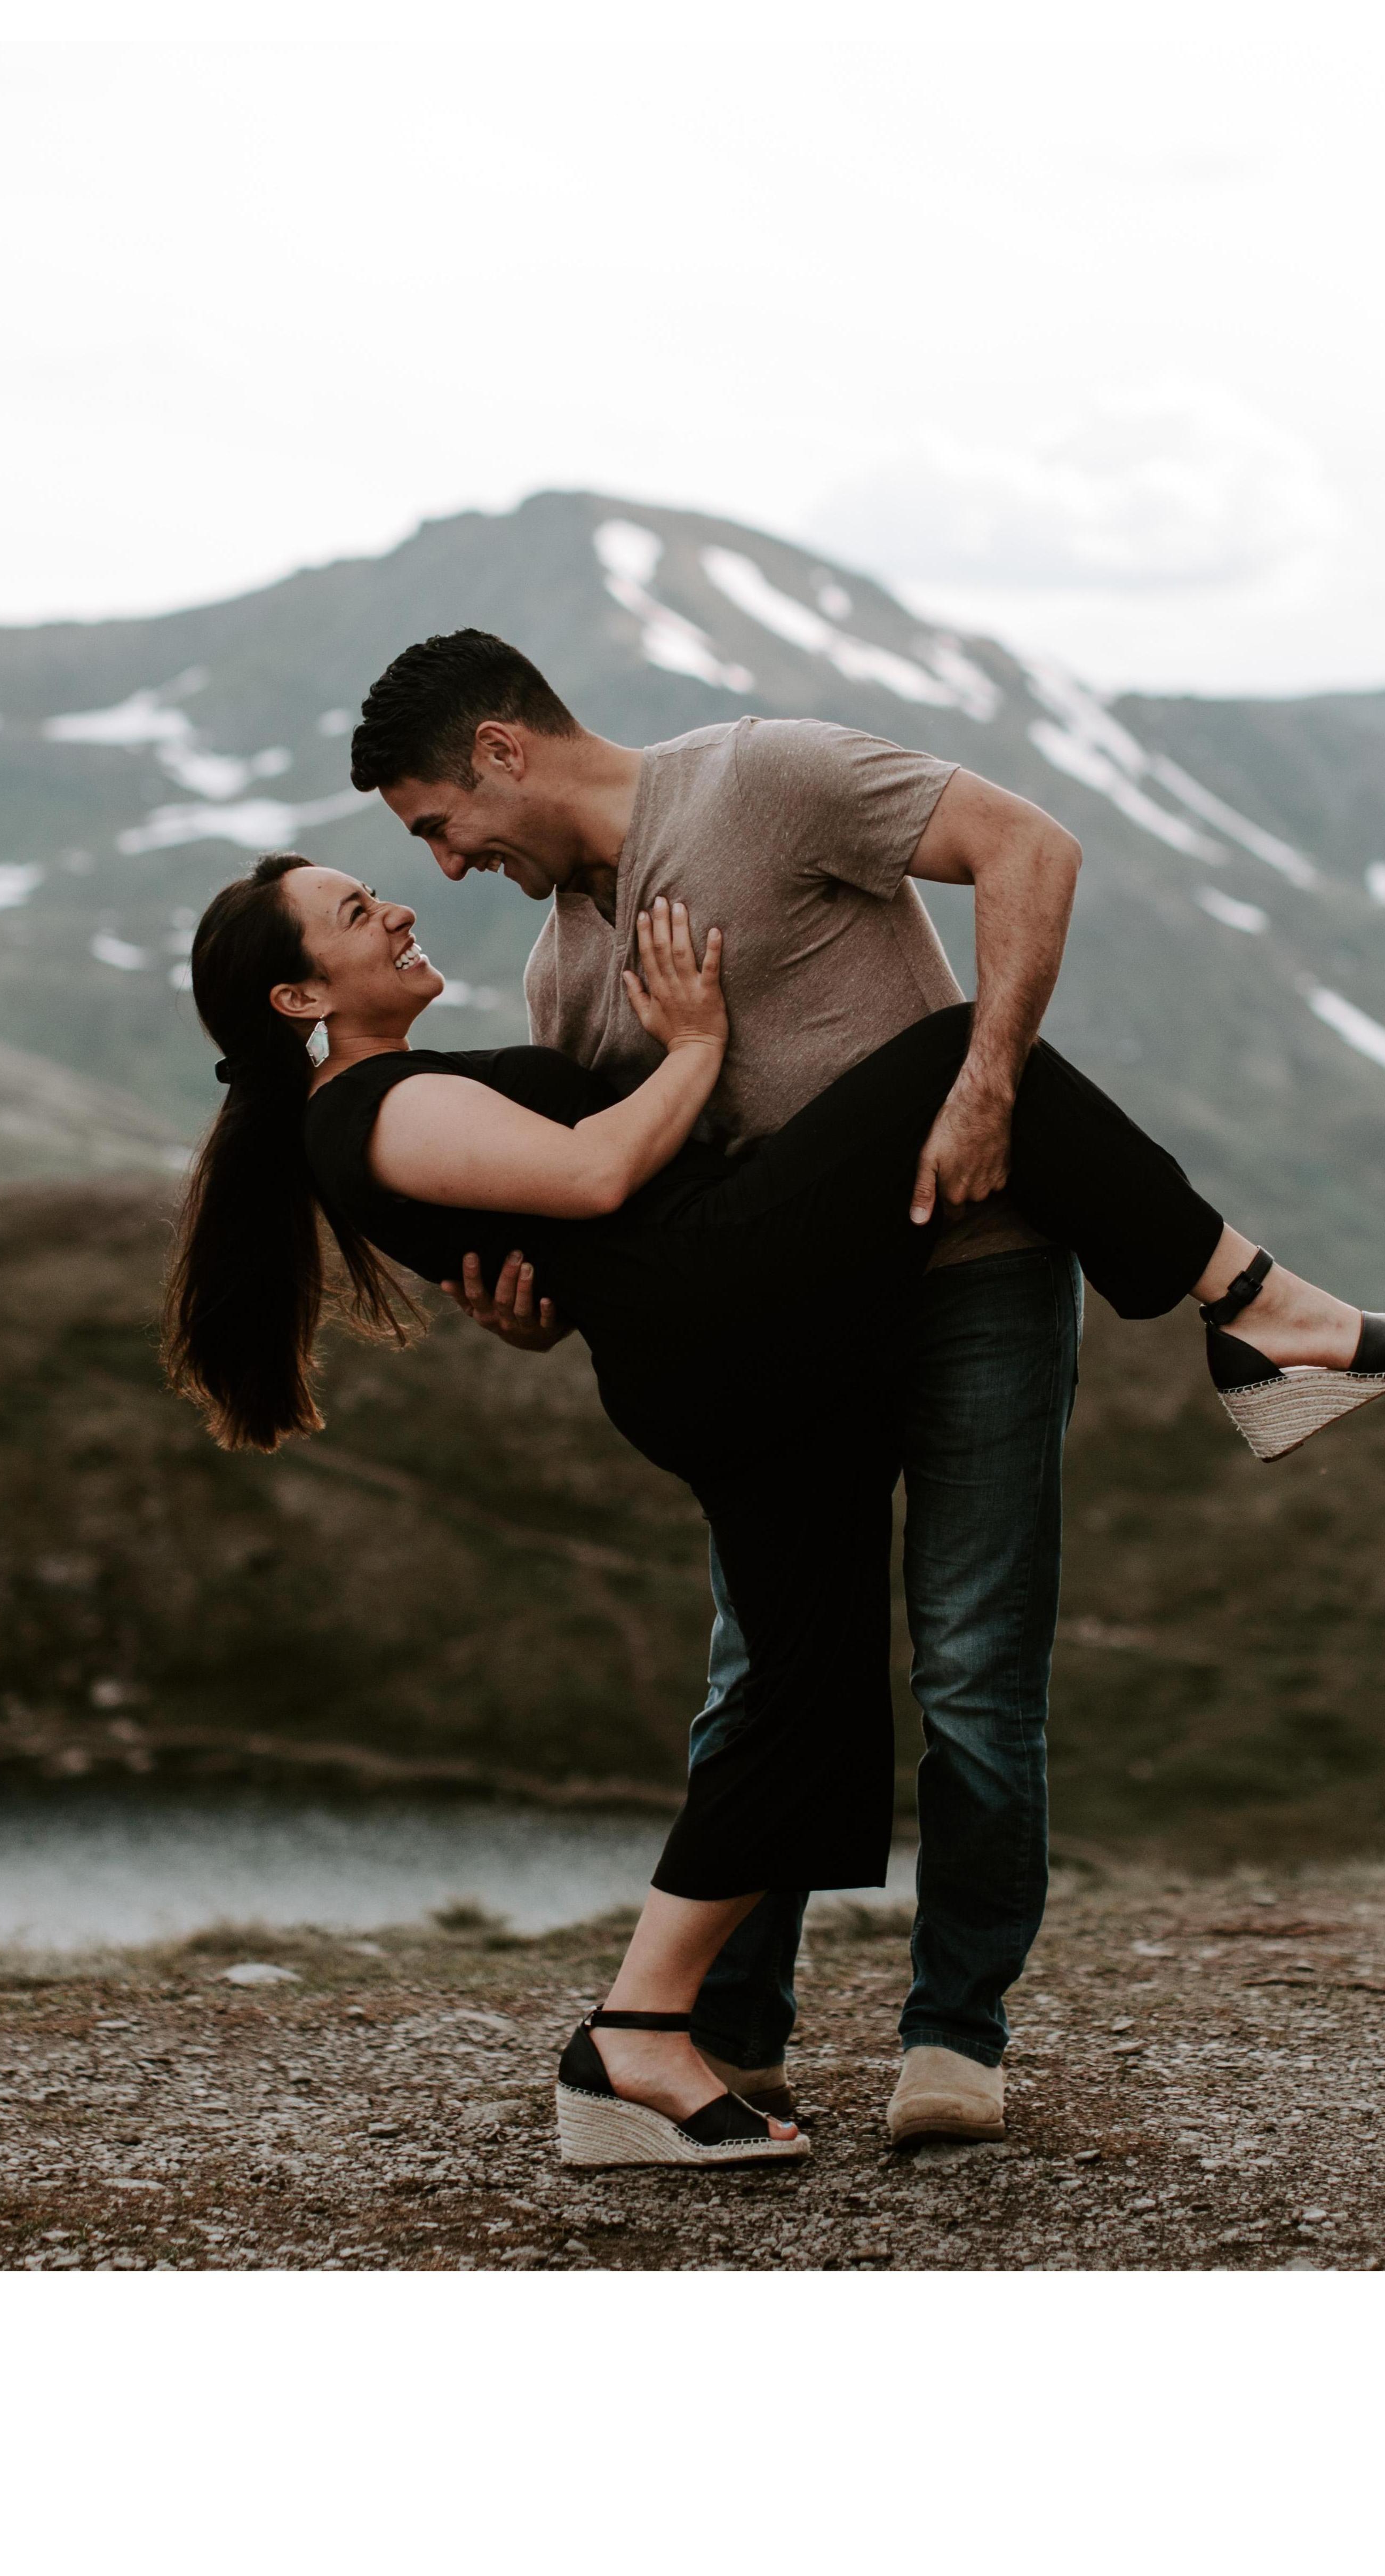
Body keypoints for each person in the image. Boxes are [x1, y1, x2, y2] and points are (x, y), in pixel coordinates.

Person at [161, 852, 1385, 2168]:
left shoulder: (379, 1098)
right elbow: (601, 1173)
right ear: (295, 994)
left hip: (727, 1339)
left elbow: (551, 1223)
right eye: (356, 914)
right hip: (715, 1303)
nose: (397, 908)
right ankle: (1261, 1313)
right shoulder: (369, 1106)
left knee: (809, 1700)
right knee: (969, 1053)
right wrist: (700, 1040)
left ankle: (645, 2034)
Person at [352, 629, 1092, 2149]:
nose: (447, 859)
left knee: (965, 1661)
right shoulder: (562, 968)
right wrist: (535, 1313)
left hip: (975, 1273)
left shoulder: (764, 775)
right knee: (761, 1667)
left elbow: (1026, 843)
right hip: (787, 1341)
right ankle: (727, 2026)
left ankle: (952, 2035)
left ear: (502, 749)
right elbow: (636, 1209)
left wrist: (987, 1080)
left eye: (438, 820)